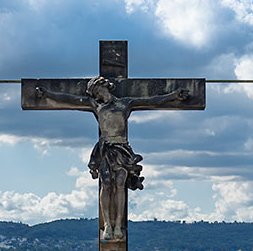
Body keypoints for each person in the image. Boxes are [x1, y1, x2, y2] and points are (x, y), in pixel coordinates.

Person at [35, 76, 189, 241]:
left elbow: (152, 100)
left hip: (122, 150)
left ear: (105, 87)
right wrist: (48, 94)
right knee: (107, 183)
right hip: (106, 150)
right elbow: (70, 99)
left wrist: (173, 95)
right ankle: (107, 224)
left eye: (97, 91)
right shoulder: (96, 106)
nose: (97, 96)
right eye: (94, 93)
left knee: (120, 183)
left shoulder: (125, 104)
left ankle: (117, 224)